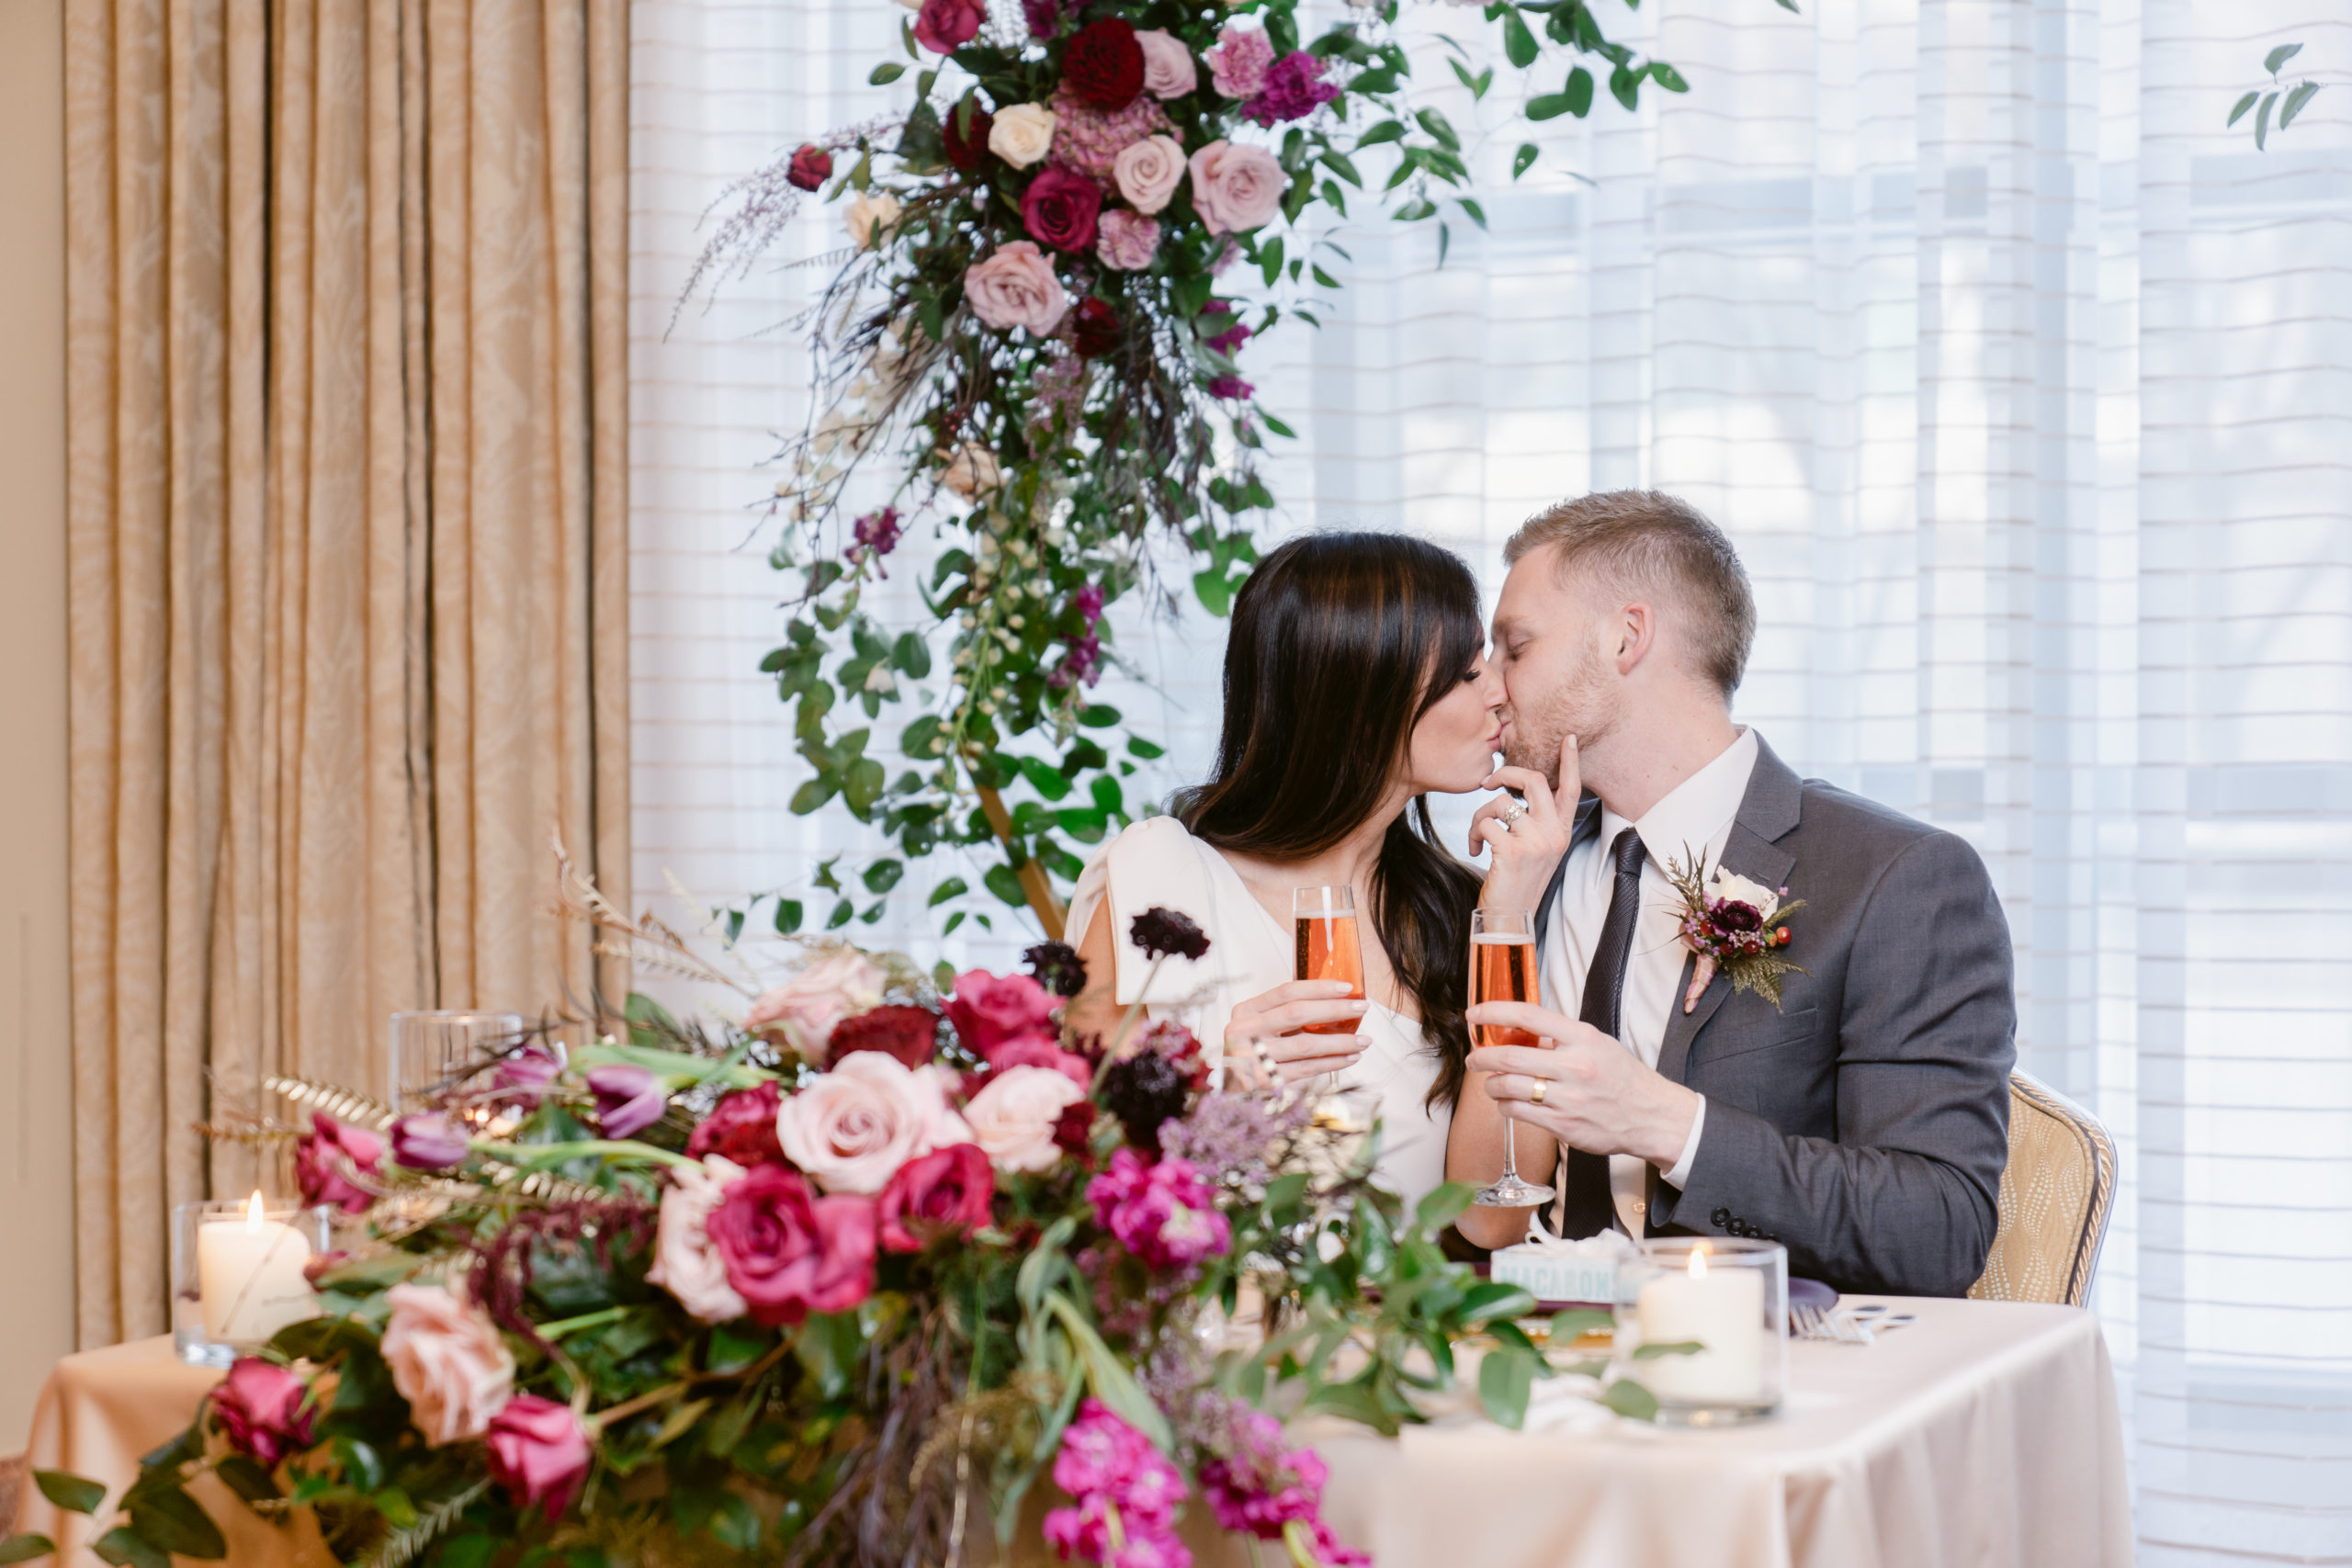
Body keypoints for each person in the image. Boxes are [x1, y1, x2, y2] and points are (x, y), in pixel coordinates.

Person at [1444, 491, 2015, 1297]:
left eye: (1516, 648)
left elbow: (1937, 1228)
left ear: (1626, 637)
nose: (1492, 690)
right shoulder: (1531, 869)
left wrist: (1662, 1122)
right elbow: (1484, 1205)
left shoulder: (1897, 878)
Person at [1064, 531, 1503, 1213]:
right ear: (1362, 693)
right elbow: (1080, 1172)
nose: (1500, 694)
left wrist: (1515, 902)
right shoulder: (1160, 883)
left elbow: (1489, 1216)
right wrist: (1225, 1095)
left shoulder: (1460, 910)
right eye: (1471, 673)